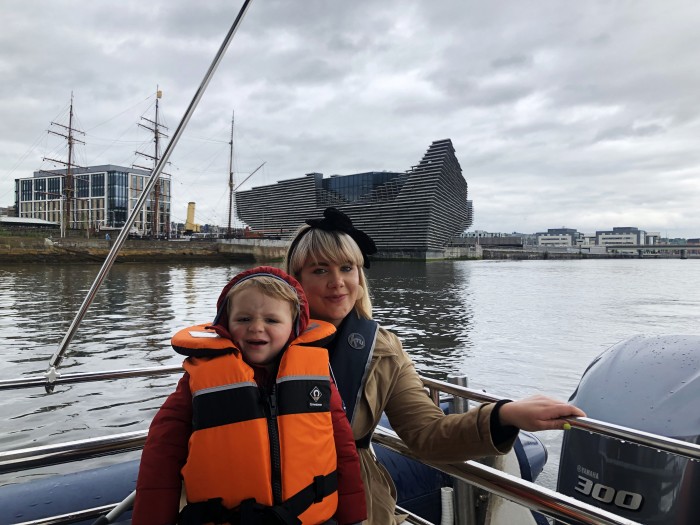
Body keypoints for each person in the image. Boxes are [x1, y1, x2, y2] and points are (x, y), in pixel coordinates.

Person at [284, 207, 587, 524]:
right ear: (296, 279)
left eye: (347, 268)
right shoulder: (264, 339)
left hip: (358, 507)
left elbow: (427, 433)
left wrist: (505, 415)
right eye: (320, 270)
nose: (338, 282)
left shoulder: (383, 350)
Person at [132, 266, 367, 525]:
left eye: (272, 320)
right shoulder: (196, 383)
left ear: (294, 327)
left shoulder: (318, 378)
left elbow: (343, 451)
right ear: (225, 326)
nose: (256, 328)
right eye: (243, 319)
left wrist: (353, 518)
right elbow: (161, 454)